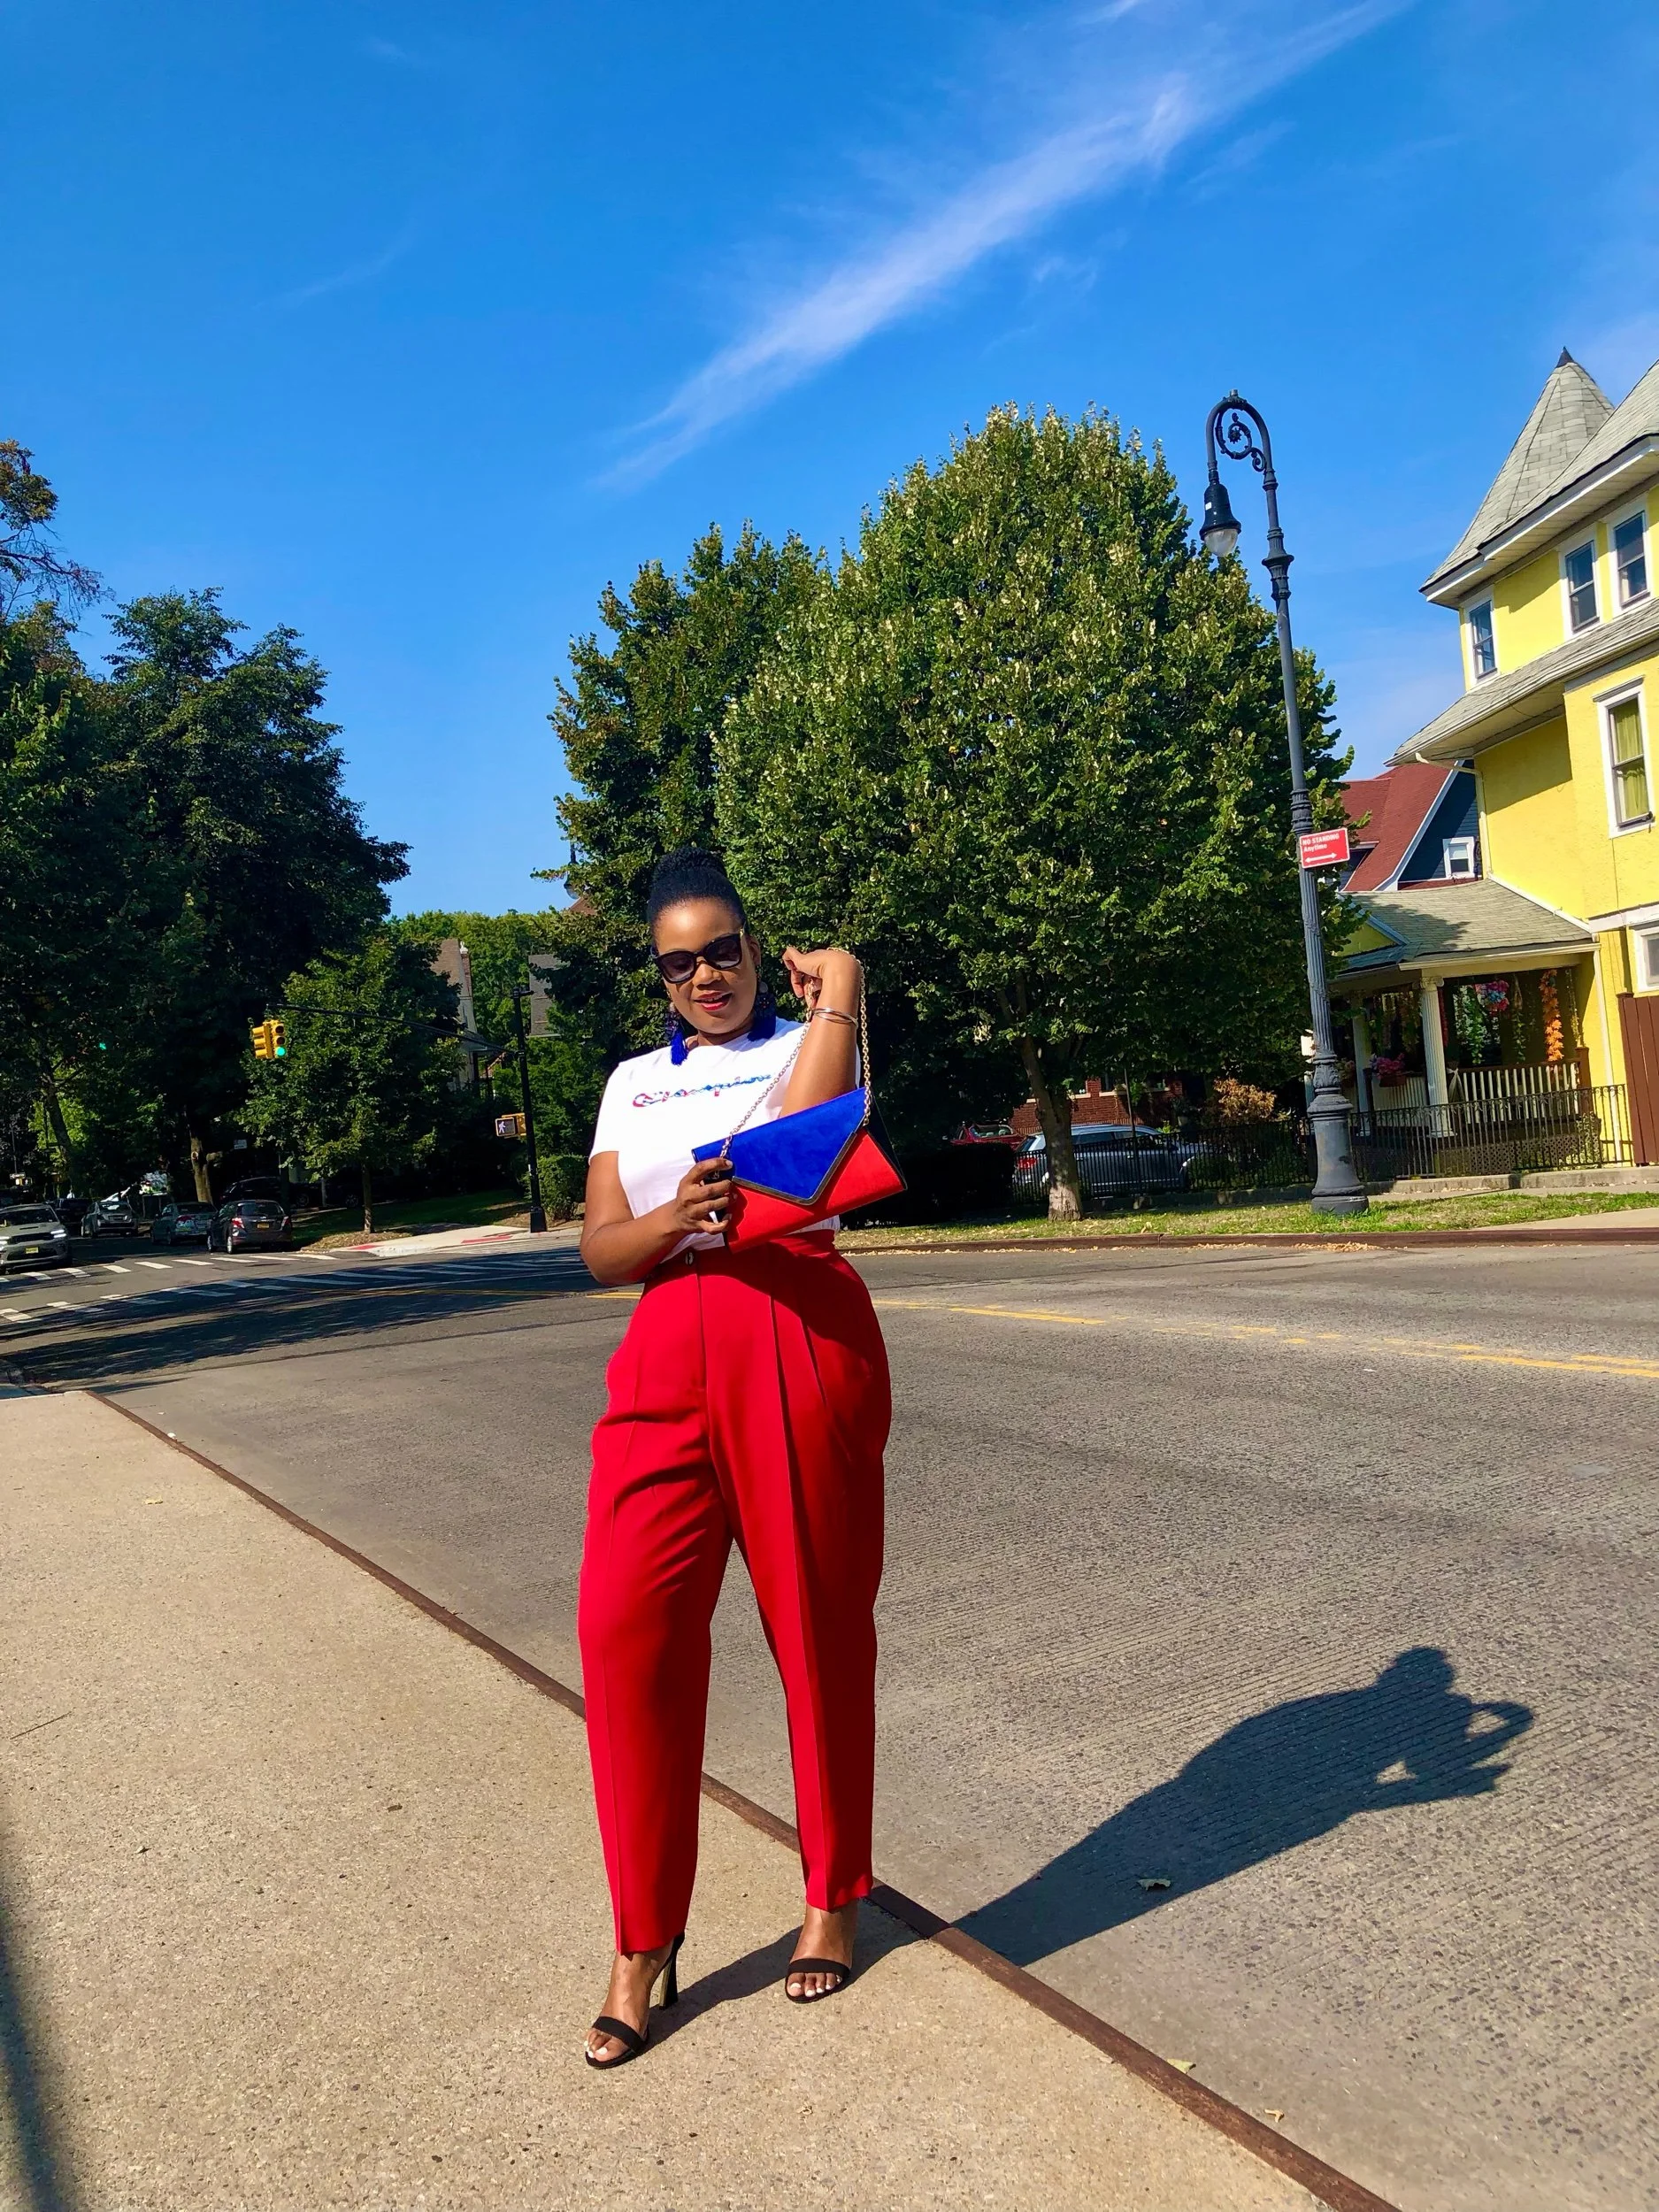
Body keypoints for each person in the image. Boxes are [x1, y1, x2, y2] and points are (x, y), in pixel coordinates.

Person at [576, 848, 891, 2069]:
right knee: (624, 1629)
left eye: (723, 951)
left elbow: (804, 1153)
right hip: (665, 1344)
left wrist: (841, 989)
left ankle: (832, 1894)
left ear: (757, 950)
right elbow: (602, 1250)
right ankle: (641, 1937)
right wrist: (667, 1221)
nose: (704, 975)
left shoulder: (803, 1046)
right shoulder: (630, 1086)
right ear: (657, 976)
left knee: (815, 1618)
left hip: (793, 1322)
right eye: (679, 963)